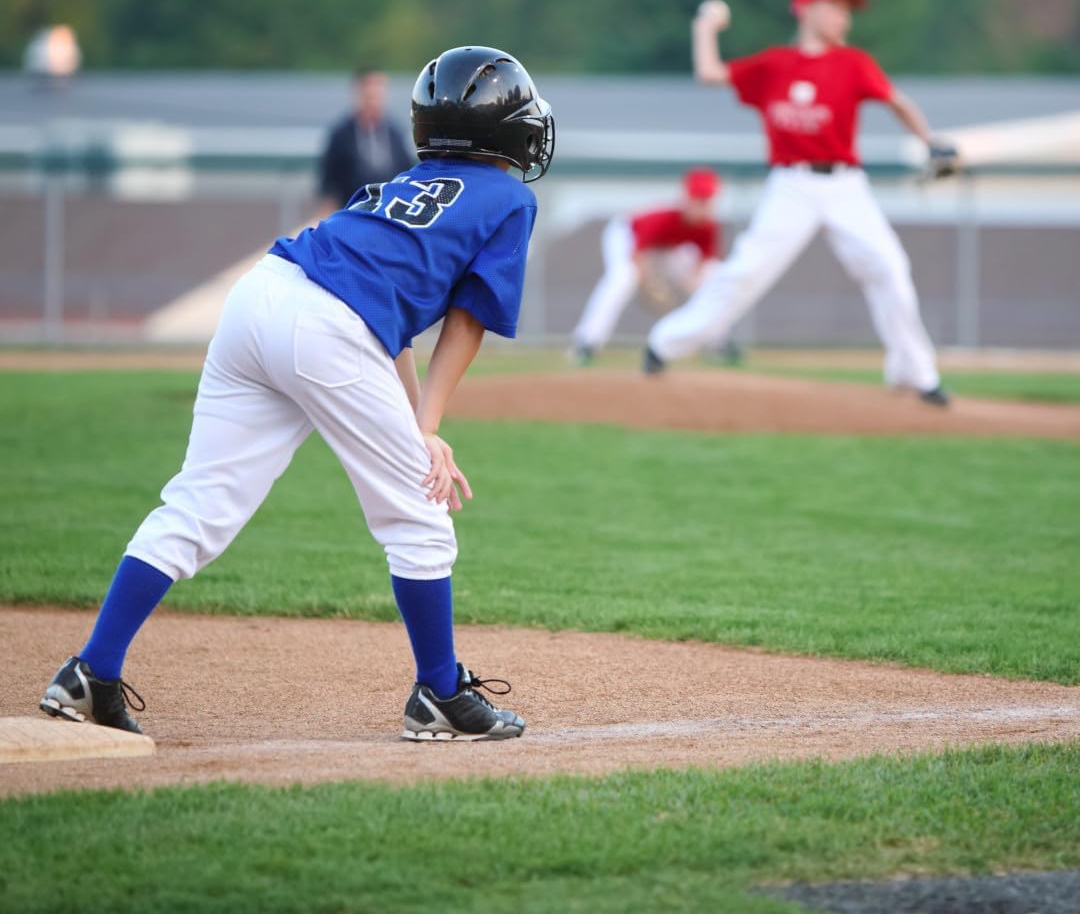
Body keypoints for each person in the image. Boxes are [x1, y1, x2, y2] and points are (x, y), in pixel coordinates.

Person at [39, 45, 556, 742]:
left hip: (261, 295)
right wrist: (426, 430)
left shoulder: (401, 184)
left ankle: (90, 672)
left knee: (199, 501)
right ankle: (439, 694)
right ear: (503, 130)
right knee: (419, 518)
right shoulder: (510, 198)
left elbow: (390, 325)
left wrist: (419, 428)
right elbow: (465, 322)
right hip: (328, 327)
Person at [643, 0, 952, 405]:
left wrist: (930, 141)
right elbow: (710, 74)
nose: (844, 17)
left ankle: (916, 373)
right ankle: (664, 345)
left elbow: (897, 102)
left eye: (847, 9)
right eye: (835, 7)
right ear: (805, 10)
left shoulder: (854, 63)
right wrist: (705, 27)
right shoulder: (775, 65)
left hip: (845, 185)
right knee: (745, 272)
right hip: (790, 186)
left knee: (889, 268)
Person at [571, 168, 724, 364]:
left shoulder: (708, 226)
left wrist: (689, 288)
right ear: (686, 198)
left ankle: (718, 341)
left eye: (707, 200)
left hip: (668, 249)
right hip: (626, 233)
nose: (702, 205)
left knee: (713, 275)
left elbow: (701, 267)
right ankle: (586, 342)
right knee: (624, 278)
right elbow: (638, 256)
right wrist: (651, 288)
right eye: (698, 198)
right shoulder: (664, 218)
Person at [317, 67, 416, 214]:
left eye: (378, 93)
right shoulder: (341, 136)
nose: (373, 99)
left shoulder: (395, 133)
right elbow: (329, 184)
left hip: (388, 212)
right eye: (369, 94)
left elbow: (406, 172)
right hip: (352, 211)